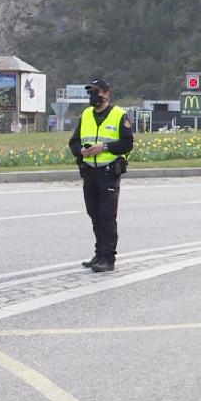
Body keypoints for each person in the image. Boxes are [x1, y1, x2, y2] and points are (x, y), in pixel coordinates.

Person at [69, 78, 134, 272]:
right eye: (90, 92)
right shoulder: (86, 115)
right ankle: (99, 254)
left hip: (108, 172)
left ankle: (108, 258)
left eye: (96, 91)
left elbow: (127, 143)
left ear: (106, 93)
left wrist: (104, 147)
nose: (92, 96)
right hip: (90, 172)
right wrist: (81, 151)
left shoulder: (119, 115)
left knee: (107, 216)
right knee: (94, 215)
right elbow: (73, 142)